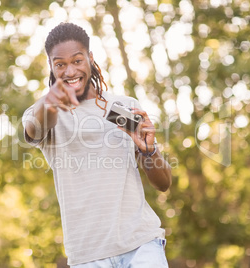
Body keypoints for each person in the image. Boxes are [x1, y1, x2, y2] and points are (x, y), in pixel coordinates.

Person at [22, 22, 172, 267]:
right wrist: (51, 101)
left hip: (141, 245)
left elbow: (164, 184)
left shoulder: (124, 106)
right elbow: (34, 126)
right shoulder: (44, 114)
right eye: (60, 64)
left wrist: (148, 150)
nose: (70, 71)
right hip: (87, 256)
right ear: (50, 66)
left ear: (90, 58)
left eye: (77, 61)